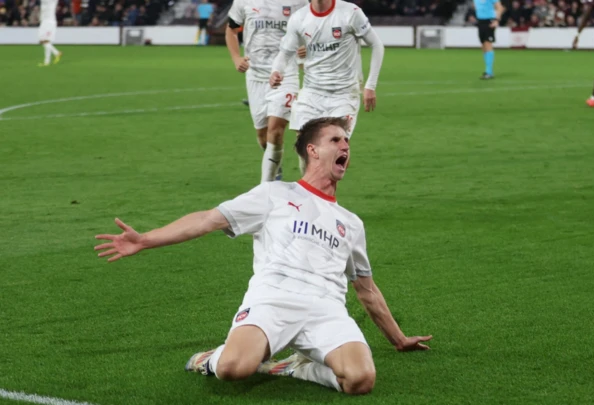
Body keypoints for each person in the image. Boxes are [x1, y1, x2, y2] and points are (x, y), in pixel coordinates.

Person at [94, 117, 432, 395]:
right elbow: (207, 219)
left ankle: (299, 367)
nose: (346, 146)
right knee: (232, 369)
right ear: (312, 150)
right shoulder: (275, 194)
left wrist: (398, 339)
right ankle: (210, 359)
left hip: (327, 309)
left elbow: (366, 289)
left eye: (347, 142)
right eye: (336, 140)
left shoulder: (352, 224)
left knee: (360, 380)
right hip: (273, 298)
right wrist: (146, 240)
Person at [269, 0, 384, 150]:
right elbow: (285, 53)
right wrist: (276, 71)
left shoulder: (350, 12)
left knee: (334, 150)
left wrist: (370, 85)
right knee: (306, 148)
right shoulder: (299, 18)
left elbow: (376, 44)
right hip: (311, 93)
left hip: (343, 94)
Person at [225, 0, 308, 183]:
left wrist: (306, 47)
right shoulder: (243, 2)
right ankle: (275, 166)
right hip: (255, 76)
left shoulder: (300, 3)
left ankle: (273, 184)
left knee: (276, 130)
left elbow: (314, 29)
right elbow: (231, 29)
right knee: (263, 135)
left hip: (285, 74)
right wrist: (236, 58)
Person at [472, 0, 504, 79]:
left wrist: (497, 20)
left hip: (489, 21)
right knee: (483, 46)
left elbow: (500, 7)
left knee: (487, 43)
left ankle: (488, 71)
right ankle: (489, 71)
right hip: (480, 21)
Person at [38, 0, 62, 67]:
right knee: (46, 41)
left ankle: (56, 53)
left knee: (42, 40)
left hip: (49, 22)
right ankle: (47, 62)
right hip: (45, 21)